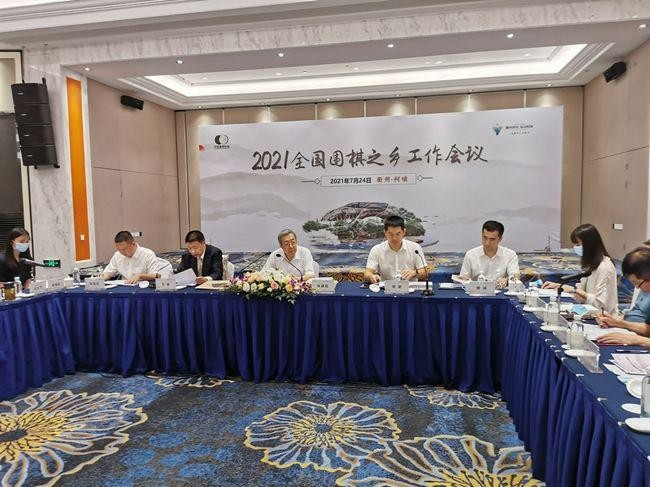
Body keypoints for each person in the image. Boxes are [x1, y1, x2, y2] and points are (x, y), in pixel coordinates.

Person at [542, 223, 618, 315]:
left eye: (578, 244)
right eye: (575, 245)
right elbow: (580, 292)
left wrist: (573, 290)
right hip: (588, 312)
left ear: (590, 244)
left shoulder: (605, 267)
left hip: (604, 317)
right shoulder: (590, 264)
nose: (576, 248)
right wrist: (559, 286)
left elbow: (599, 303)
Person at [596, 246, 650, 342]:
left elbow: (647, 330)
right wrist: (614, 321)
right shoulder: (645, 287)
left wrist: (637, 340)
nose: (637, 288)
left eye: (637, 283)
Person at [364, 215, 427, 283]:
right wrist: (371, 277)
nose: (394, 238)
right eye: (391, 234)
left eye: (398, 234)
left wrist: (415, 273)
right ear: (385, 232)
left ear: (404, 232)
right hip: (385, 287)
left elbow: (425, 273)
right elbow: (367, 273)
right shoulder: (376, 250)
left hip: (410, 287)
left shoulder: (415, 248)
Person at [459, 220, 519, 289]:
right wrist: (464, 280)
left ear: (500, 239)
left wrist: (507, 280)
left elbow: (516, 276)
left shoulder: (510, 254)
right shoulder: (470, 254)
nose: (487, 243)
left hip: (501, 292)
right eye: (485, 238)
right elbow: (463, 279)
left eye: (492, 239)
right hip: (476, 292)